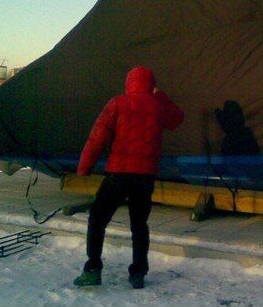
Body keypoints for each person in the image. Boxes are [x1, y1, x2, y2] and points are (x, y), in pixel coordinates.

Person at [73, 66, 184, 289]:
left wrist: (84, 167)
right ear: (151, 84)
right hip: (145, 177)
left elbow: (97, 137)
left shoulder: (117, 103)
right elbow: (177, 119)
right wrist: (160, 95)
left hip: (118, 174)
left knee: (97, 219)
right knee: (139, 225)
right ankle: (138, 274)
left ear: (129, 82)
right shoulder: (158, 107)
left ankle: (93, 269)